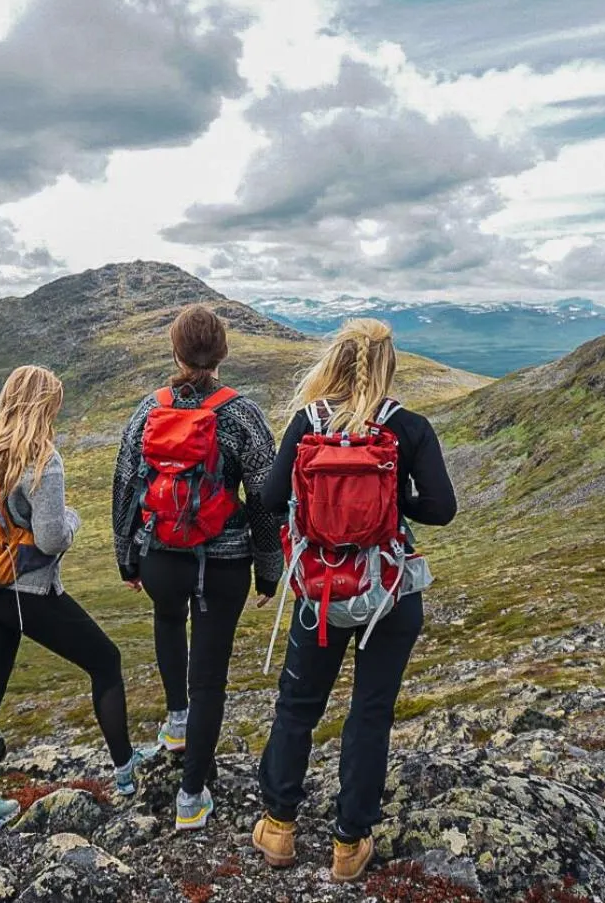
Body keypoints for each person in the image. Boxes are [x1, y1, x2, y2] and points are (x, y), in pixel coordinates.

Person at [249, 319, 457, 882]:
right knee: (370, 711)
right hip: (388, 591)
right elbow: (442, 508)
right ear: (388, 365)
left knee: (298, 706)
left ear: (335, 361)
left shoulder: (307, 422)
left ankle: (279, 827)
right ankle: (349, 842)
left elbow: (271, 498)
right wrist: (393, 500)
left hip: (320, 592)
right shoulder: (409, 427)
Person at [0, 364, 148, 829]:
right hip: (29, 595)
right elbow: (52, 537)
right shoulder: (41, 459)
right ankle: (126, 772)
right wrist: (74, 519)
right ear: (45, 407)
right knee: (106, 661)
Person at [112, 304, 282, 832]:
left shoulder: (149, 409)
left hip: (161, 556)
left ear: (175, 351)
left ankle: (176, 720)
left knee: (167, 622)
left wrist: (127, 557)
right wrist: (269, 569)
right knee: (210, 677)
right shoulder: (243, 414)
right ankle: (191, 798)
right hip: (223, 564)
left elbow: (126, 487)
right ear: (223, 353)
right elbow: (265, 499)